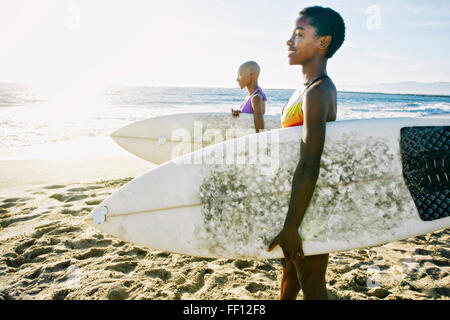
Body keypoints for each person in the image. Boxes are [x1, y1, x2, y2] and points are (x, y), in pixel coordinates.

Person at [267, 6, 346, 300]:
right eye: (291, 34)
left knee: (312, 286)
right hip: (297, 201)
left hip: (310, 206)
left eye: (299, 35)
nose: (289, 41)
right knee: (289, 275)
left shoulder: (319, 90)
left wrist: (291, 226)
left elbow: (310, 163)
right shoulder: (302, 88)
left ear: (322, 42)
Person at [231, 61, 266, 133]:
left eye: (240, 74)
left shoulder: (256, 98)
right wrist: (238, 113)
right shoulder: (249, 97)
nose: (237, 79)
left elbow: (260, 132)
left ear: (251, 75)